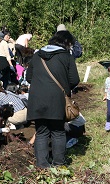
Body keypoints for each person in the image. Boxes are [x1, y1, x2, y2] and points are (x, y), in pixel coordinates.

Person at [26, 30, 80, 168]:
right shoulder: (66, 56)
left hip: (37, 99)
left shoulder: (37, 55)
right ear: (66, 43)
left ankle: (42, 166)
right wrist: (64, 88)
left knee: (41, 131)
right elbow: (74, 79)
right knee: (58, 131)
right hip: (57, 99)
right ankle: (58, 164)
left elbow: (28, 78)